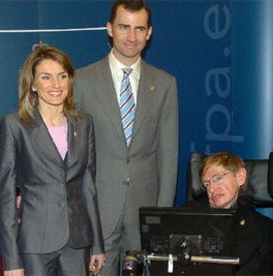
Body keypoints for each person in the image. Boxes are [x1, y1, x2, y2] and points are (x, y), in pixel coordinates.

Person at [74, 0, 179, 274]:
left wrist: (161, 217)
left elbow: (168, 155)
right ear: (109, 29)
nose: (131, 37)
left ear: (149, 32)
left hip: (144, 214)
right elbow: (74, 155)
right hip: (97, 214)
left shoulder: (166, 84)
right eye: (124, 27)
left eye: (139, 29)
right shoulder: (81, 81)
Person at [0, 45, 106, 276]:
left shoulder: (84, 123)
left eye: (62, 76)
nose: (56, 85)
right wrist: (11, 261)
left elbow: (88, 187)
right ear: (33, 84)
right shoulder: (15, 125)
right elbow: (7, 195)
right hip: (35, 243)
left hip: (77, 242)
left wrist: (97, 244)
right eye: (46, 77)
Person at [185, 152, 273, 275]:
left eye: (218, 178)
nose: (212, 189)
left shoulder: (264, 228)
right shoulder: (187, 217)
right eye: (207, 184)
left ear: (240, 177)